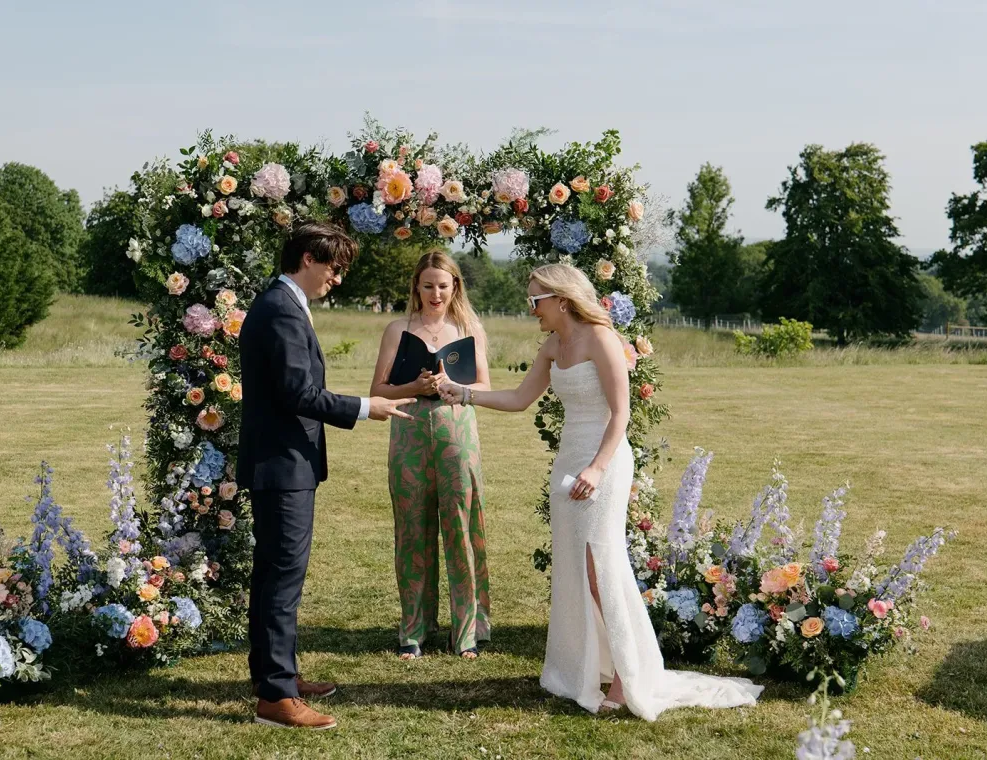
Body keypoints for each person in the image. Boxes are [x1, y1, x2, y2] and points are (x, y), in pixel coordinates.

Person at [439, 263, 763, 720]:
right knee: (575, 567)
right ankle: (589, 666)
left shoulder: (602, 339)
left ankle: (625, 678)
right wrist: (463, 393)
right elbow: (518, 398)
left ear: (561, 300)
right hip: (569, 461)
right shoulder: (553, 345)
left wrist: (597, 467)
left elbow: (620, 413)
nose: (531, 309)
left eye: (535, 300)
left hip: (604, 463)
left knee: (600, 568)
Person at [237, 222, 413, 730]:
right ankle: (276, 697)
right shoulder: (280, 309)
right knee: (282, 579)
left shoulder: (280, 303)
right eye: (334, 269)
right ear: (309, 258)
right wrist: (365, 406)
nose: (337, 279)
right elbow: (298, 393)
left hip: (280, 461)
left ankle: (275, 677)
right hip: (282, 465)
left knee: (272, 575)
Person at [369, 251, 492, 661]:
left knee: (462, 526)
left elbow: (485, 385)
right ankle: (414, 629)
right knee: (411, 530)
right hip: (409, 434)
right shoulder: (397, 328)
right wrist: (415, 386)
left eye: (443, 286)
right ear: (416, 287)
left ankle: (468, 631)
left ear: (455, 286)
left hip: (458, 435)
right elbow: (379, 389)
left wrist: (451, 382)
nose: (436, 294)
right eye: (428, 286)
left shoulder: (469, 327)